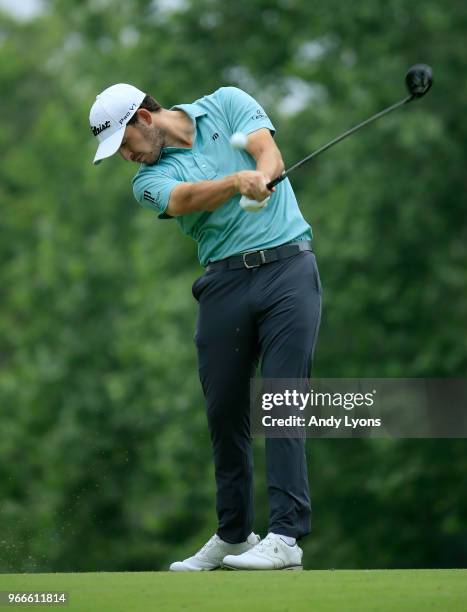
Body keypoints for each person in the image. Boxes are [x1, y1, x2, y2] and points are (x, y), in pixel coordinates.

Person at [89, 83, 322, 571]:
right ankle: (235, 535)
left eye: (124, 143)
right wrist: (237, 183)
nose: (126, 157)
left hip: (287, 270)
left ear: (144, 119)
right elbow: (186, 198)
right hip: (224, 284)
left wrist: (260, 176)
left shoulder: (227, 104)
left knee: (282, 400)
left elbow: (269, 152)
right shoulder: (146, 181)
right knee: (224, 411)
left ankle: (285, 536)